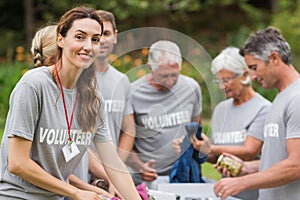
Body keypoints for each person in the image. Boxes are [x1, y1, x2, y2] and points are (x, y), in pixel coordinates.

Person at [0, 6, 141, 200]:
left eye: (95, 39)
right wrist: (76, 192)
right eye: (80, 37)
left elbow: (113, 163)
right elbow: (17, 163)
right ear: (61, 39)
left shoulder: (93, 97)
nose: (88, 46)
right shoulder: (34, 85)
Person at [30, 24, 117, 199]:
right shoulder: (34, 88)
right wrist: (85, 189)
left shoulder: (82, 93)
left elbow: (78, 147)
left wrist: (110, 177)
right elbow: (45, 164)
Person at [213, 27, 300, 200]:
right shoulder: (281, 97)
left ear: (274, 58)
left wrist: (243, 182)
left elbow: (296, 164)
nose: (252, 76)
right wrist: (247, 168)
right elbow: (277, 160)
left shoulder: (297, 98)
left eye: (254, 67)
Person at [189, 46, 271, 200]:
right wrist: (196, 148)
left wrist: (212, 148)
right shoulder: (221, 109)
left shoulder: (264, 109)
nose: (221, 86)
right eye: (218, 81)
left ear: (245, 75)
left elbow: (249, 151)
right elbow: (215, 157)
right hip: (227, 195)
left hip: (255, 195)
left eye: (226, 80)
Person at [127, 40, 203, 189]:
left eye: (174, 75)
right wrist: (140, 166)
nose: (170, 81)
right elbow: (124, 143)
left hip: (184, 174)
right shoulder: (132, 93)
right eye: (164, 76)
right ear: (150, 68)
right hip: (146, 178)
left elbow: (196, 129)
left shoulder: (191, 88)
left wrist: (188, 143)